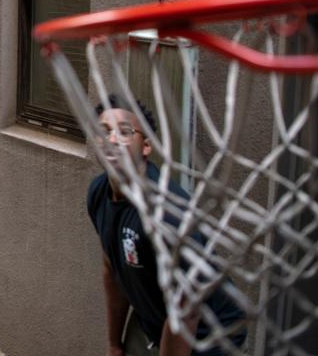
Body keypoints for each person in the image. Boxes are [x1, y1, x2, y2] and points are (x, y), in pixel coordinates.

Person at [87, 95, 246, 356]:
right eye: (103, 132)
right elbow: (111, 268)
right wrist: (114, 344)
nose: (112, 141)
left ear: (146, 146)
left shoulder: (166, 214)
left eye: (125, 132)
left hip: (210, 335)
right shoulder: (97, 192)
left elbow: (185, 312)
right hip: (154, 322)